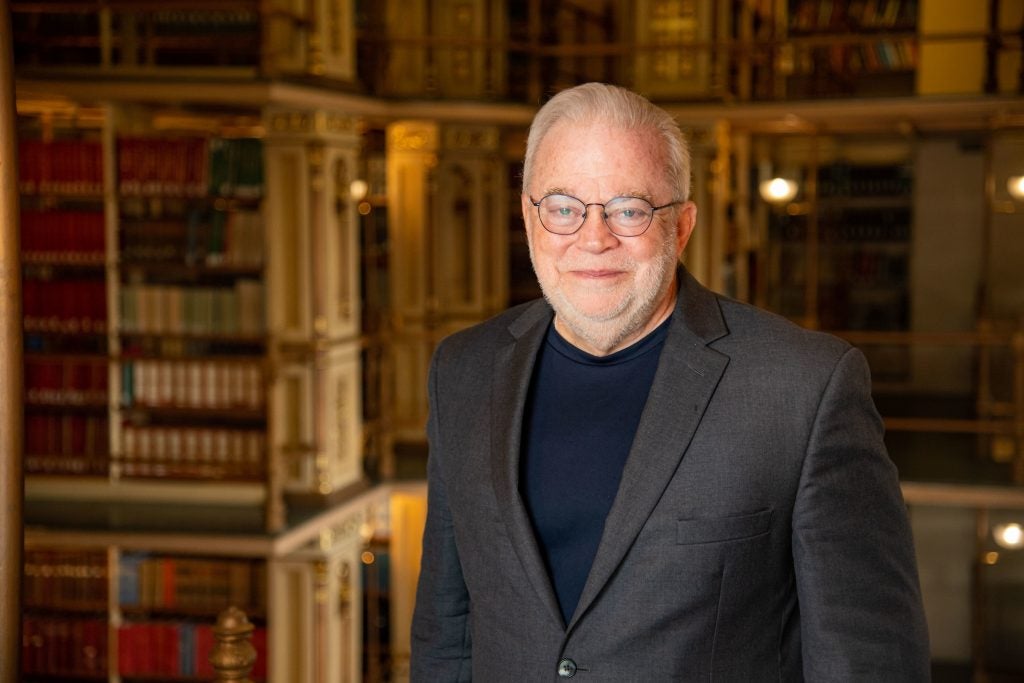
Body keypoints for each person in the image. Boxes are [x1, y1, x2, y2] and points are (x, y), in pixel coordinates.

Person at [411, 82, 930, 681]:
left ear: (682, 226)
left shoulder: (806, 387)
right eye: (563, 207)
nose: (593, 237)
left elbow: (869, 657)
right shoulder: (463, 370)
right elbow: (444, 631)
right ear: (530, 218)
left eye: (630, 209)